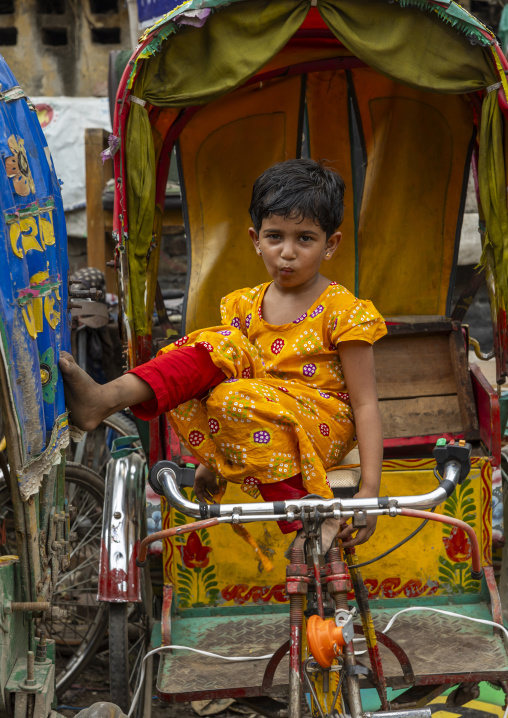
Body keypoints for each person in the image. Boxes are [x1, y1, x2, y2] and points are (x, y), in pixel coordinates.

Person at [60, 159, 386, 550]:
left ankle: (316, 518)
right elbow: (224, 381)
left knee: (230, 392)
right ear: (255, 239)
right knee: (216, 347)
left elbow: (365, 404)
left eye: (305, 239)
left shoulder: (343, 310)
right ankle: (104, 399)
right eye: (274, 237)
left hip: (320, 426)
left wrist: (370, 490)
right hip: (254, 415)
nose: (286, 252)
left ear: (330, 244)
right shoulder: (243, 305)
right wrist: (211, 460)